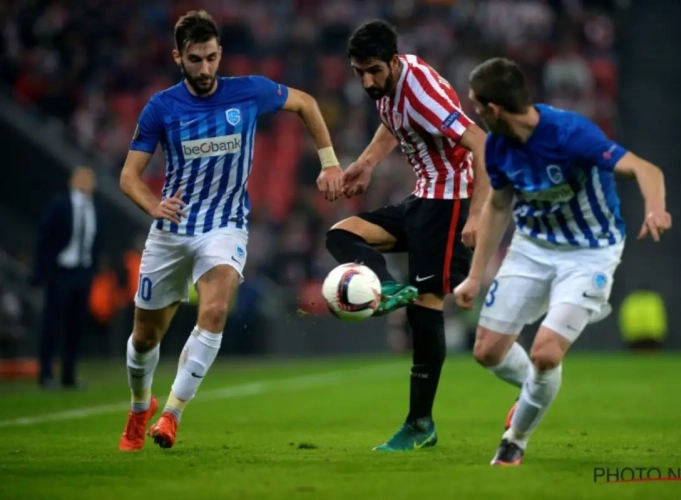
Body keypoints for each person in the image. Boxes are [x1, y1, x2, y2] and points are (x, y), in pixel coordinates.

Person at [117, 9, 343, 452]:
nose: (205, 69)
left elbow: (307, 104)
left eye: (212, 58)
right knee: (145, 338)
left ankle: (172, 415)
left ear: (221, 54)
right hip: (172, 228)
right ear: (178, 57)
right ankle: (139, 408)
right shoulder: (161, 107)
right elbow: (129, 176)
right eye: (196, 59)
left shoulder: (249, 92)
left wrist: (330, 161)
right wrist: (153, 203)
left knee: (216, 310)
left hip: (225, 224)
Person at [453, 57, 672, 466]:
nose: (474, 112)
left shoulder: (571, 134)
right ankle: (538, 387)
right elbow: (499, 205)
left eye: (476, 105)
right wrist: (474, 276)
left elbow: (646, 169)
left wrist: (655, 208)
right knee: (486, 351)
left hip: (590, 252)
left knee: (546, 353)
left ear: (494, 109)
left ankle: (515, 439)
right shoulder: (497, 147)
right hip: (532, 247)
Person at [325, 20, 491, 452]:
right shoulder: (390, 86)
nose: (367, 80)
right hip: (421, 196)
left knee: (426, 307)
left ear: (394, 62)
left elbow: (482, 144)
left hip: (451, 200)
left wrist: (477, 215)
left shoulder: (420, 92)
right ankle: (386, 288)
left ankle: (420, 424)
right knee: (342, 235)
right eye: (359, 71)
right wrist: (366, 163)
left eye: (374, 71)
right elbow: (392, 122)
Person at [31, 166, 101, 390]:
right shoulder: (59, 205)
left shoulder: (97, 210)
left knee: (77, 325)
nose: (85, 181)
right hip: (61, 271)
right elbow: (44, 238)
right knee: (52, 323)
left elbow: (97, 243)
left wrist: (92, 271)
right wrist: (43, 270)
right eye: (80, 177)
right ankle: (46, 374)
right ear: (71, 181)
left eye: (89, 177)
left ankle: (69, 374)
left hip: (83, 273)